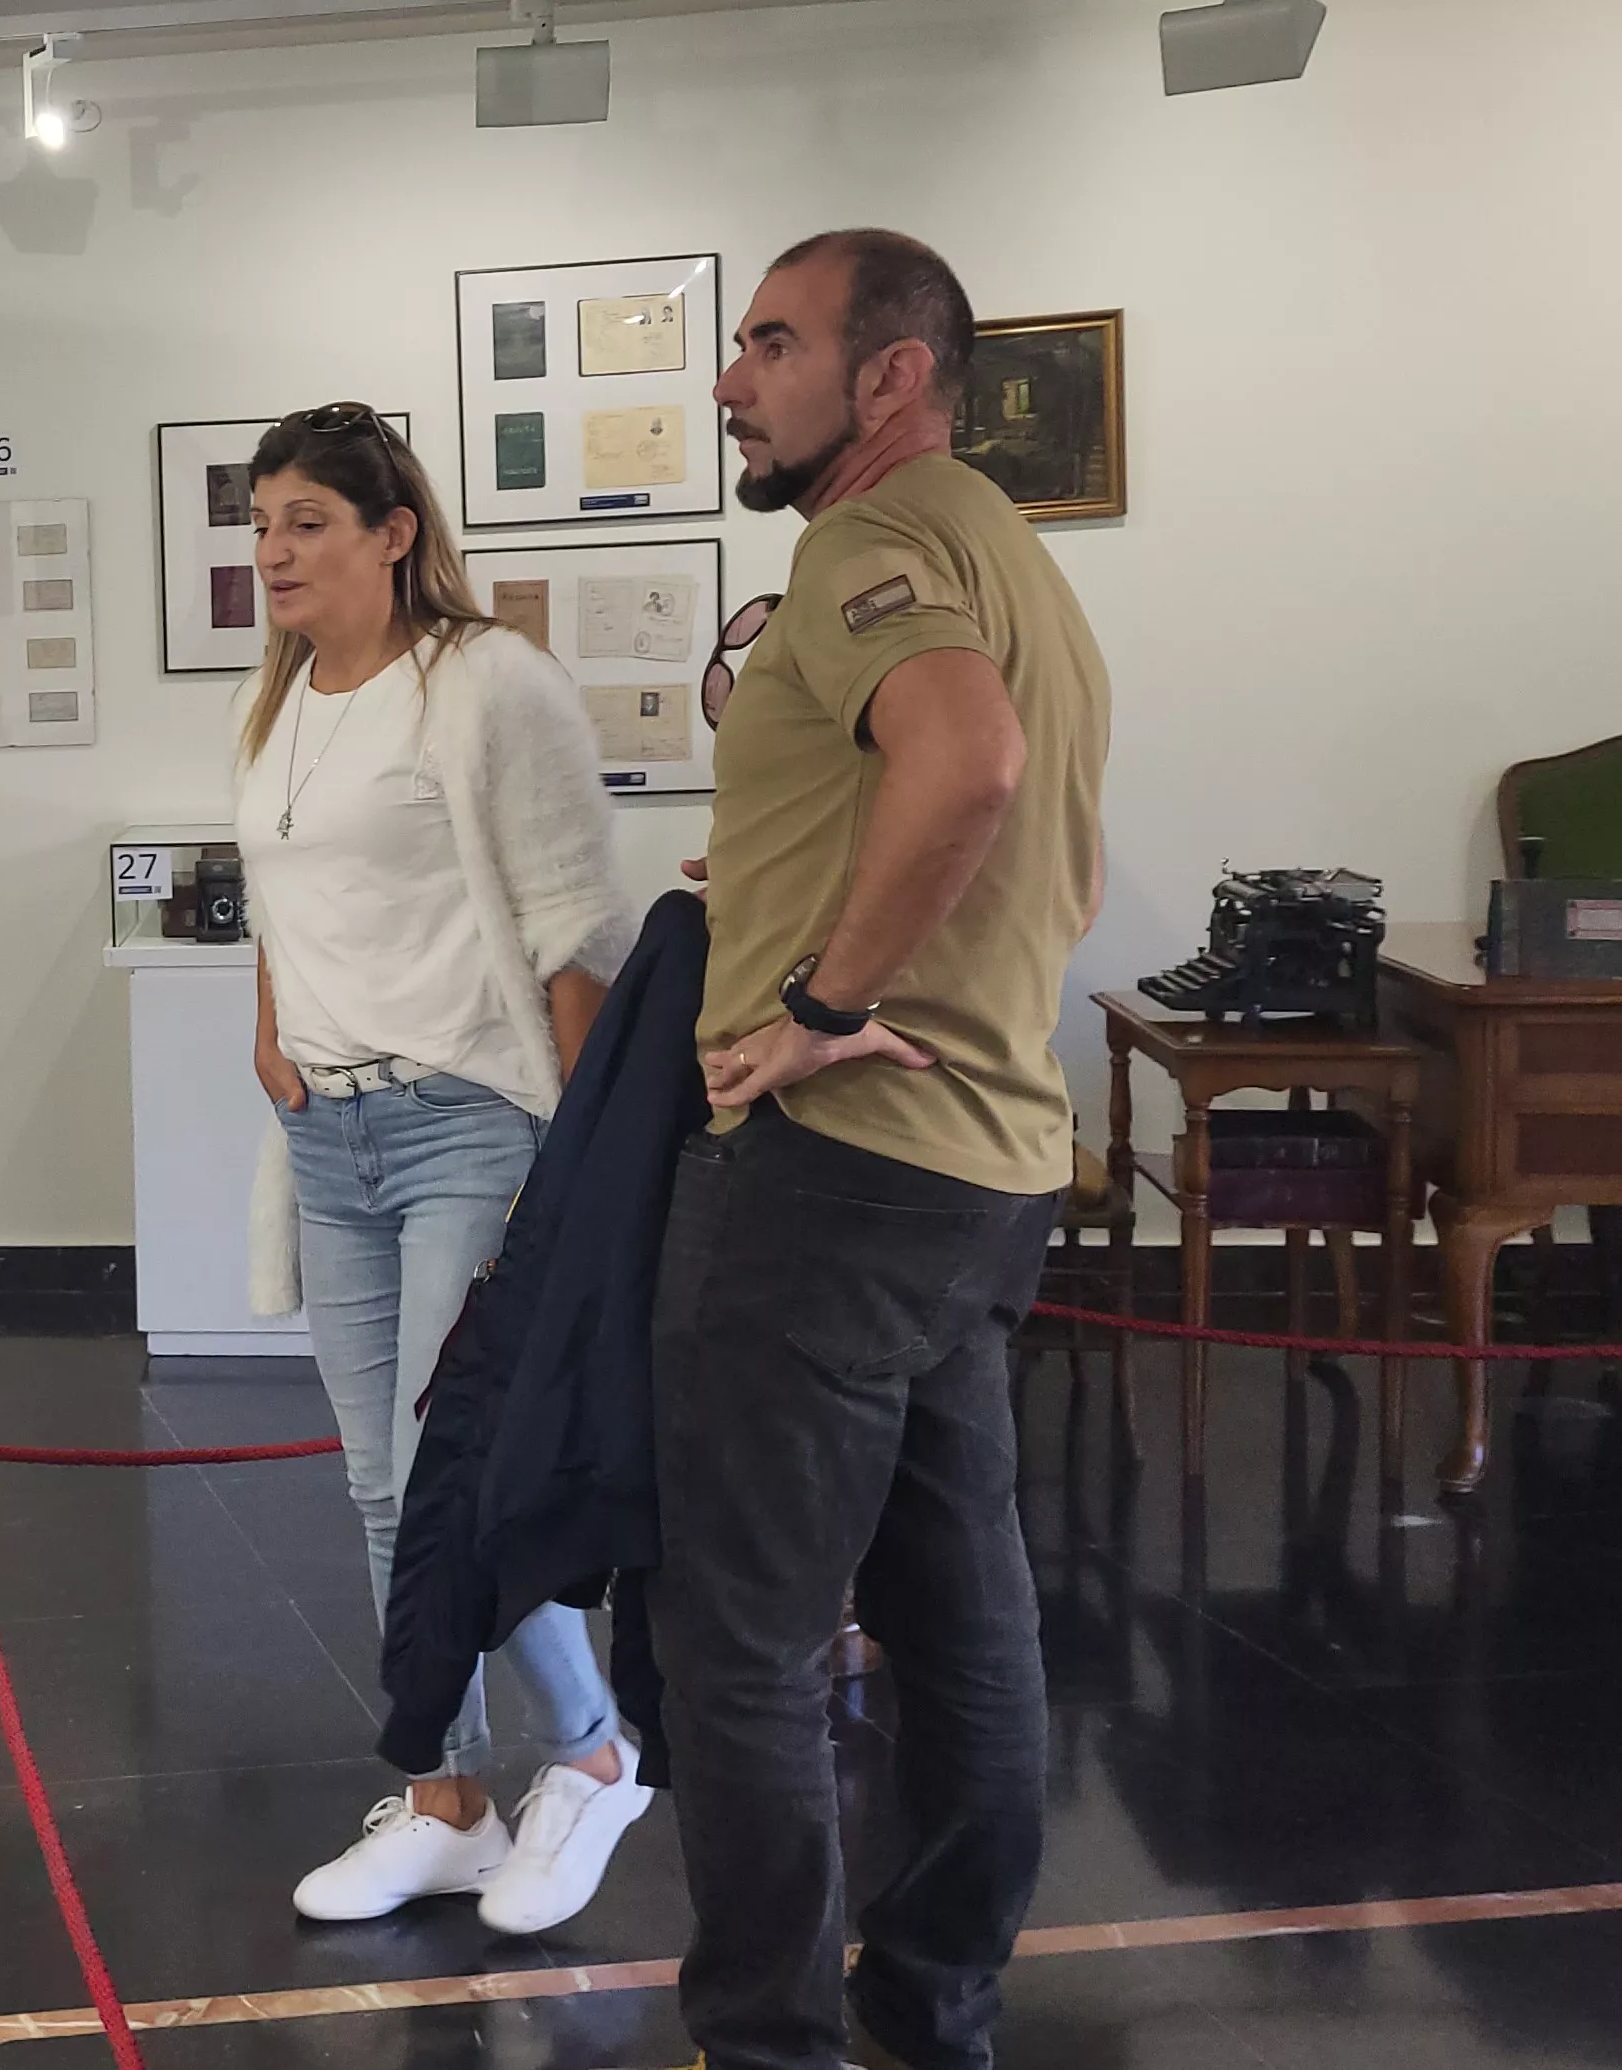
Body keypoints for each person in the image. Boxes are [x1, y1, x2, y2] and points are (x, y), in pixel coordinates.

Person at [655, 229, 1107, 2070]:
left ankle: (767, 2045)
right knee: (963, 1622)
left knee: (745, 1645)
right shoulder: (1010, 552)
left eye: (771, 343)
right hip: (984, 1167)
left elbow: (968, 763)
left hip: (845, 1165)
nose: (730, 380)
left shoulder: (864, 542)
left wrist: (827, 999)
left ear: (892, 376)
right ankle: (932, 2015)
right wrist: (788, 891)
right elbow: (957, 798)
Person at [233, 405, 657, 1935]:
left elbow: (574, 931)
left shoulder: (486, 684)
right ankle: (445, 1798)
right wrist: (273, 1030)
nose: (273, 551)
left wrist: (580, 1167)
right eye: (263, 522)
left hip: (471, 1123)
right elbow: (280, 897)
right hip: (328, 1134)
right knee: (376, 1487)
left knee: (450, 1482)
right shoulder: (282, 697)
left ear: (392, 529)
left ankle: (599, 1755)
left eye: (306, 522)